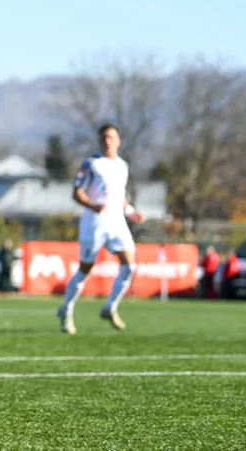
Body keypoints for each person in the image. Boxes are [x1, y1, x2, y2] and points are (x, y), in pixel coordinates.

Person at [57, 124, 145, 335]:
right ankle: (66, 309)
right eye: (104, 137)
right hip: (94, 224)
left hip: (117, 222)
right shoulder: (92, 164)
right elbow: (76, 192)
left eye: (111, 137)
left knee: (130, 266)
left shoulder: (122, 166)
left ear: (118, 140)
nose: (108, 140)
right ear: (99, 140)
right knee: (85, 269)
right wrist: (92, 205)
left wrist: (131, 211)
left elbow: (118, 196)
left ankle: (109, 308)